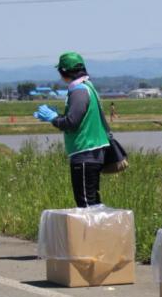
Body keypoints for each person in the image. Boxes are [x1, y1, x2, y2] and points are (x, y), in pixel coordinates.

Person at [34, 52, 110, 208]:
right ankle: (100, 232)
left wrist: (54, 118)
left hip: (84, 153)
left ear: (64, 72)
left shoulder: (79, 91)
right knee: (92, 203)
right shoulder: (88, 87)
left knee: (86, 205)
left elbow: (71, 122)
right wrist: (58, 116)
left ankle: (93, 233)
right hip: (92, 152)